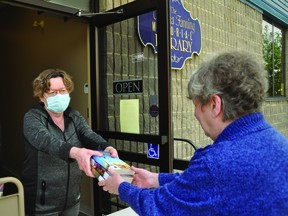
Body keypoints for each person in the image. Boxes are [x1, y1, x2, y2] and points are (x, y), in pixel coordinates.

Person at [98, 50, 288, 215]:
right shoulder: (281, 144)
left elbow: (160, 208)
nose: (195, 114)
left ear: (215, 104)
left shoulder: (215, 163)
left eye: (197, 105)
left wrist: (121, 187)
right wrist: (155, 179)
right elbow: (208, 184)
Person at [22, 68, 118, 216]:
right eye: (52, 92)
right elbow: (46, 141)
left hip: (72, 199)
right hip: (42, 203)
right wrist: (76, 152)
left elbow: (88, 134)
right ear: (41, 96)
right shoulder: (32, 117)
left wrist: (106, 146)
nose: (58, 96)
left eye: (62, 90)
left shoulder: (74, 115)